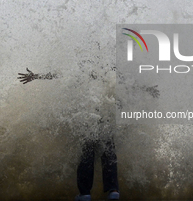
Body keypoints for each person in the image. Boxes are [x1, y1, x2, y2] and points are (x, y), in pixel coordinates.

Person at [18, 68, 120, 200]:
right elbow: (124, 80)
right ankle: (113, 191)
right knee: (108, 150)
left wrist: (36, 76)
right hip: (103, 113)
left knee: (88, 151)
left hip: (87, 114)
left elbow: (59, 73)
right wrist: (146, 88)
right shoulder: (105, 68)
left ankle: (85, 194)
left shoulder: (82, 67)